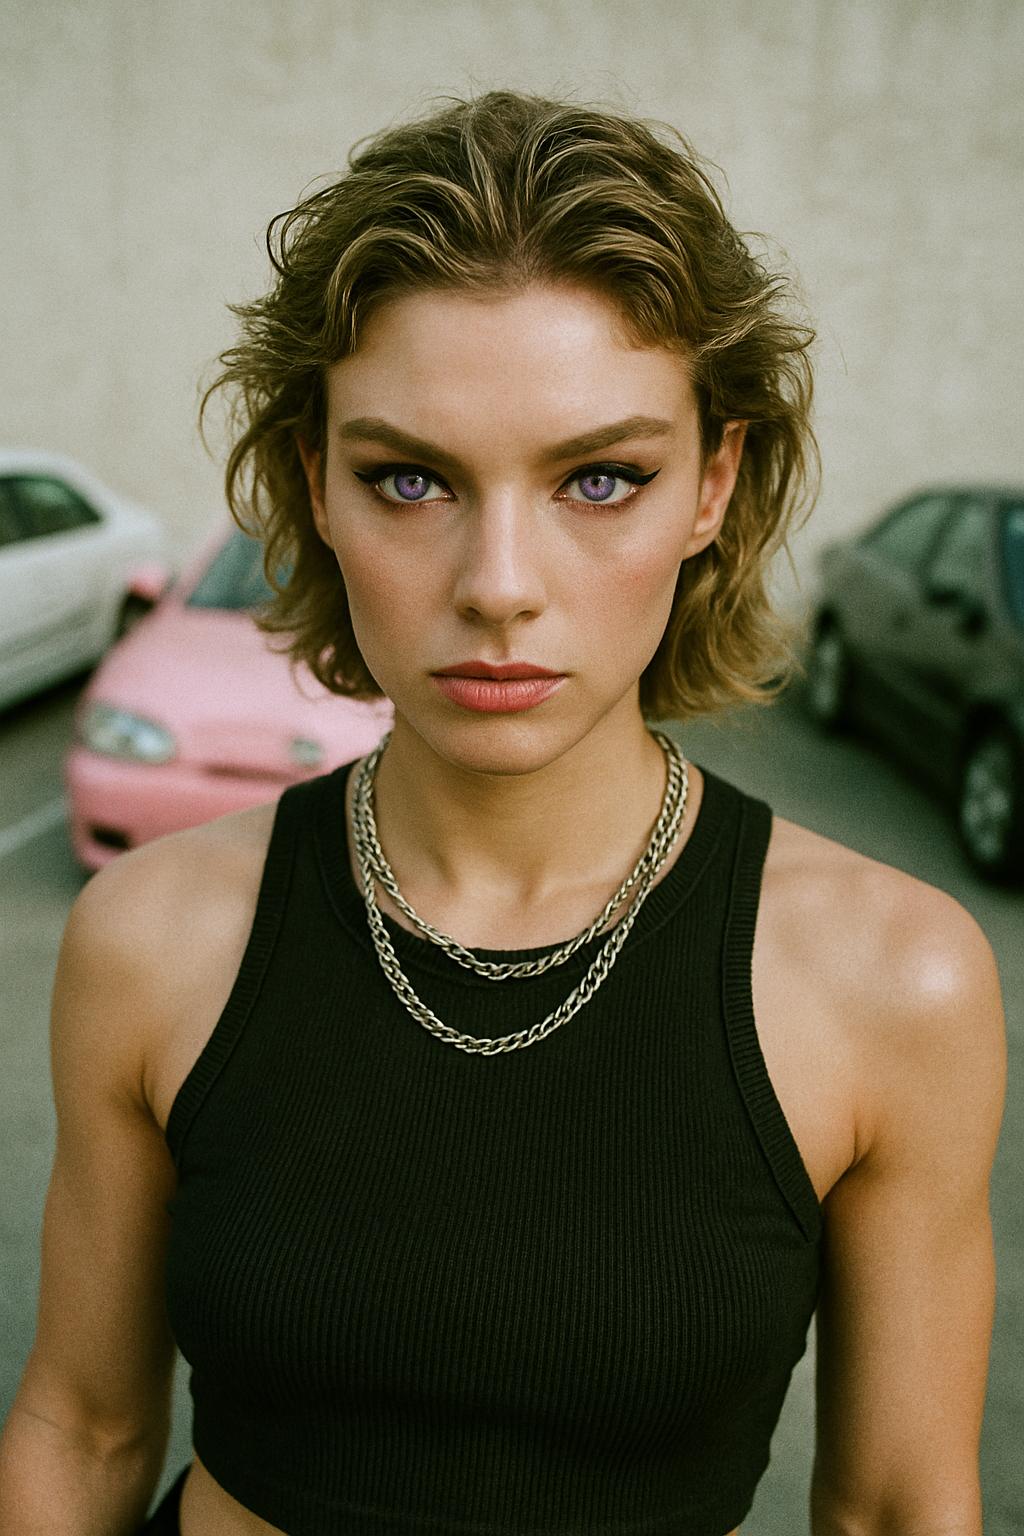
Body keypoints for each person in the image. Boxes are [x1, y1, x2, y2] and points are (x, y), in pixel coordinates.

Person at [0, 90, 1006, 1536]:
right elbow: (81, 1426)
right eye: (409, 478)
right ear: (315, 486)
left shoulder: (892, 982)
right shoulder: (154, 937)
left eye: (603, 477)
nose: (499, 582)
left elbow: (902, 1506)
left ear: (713, 484)